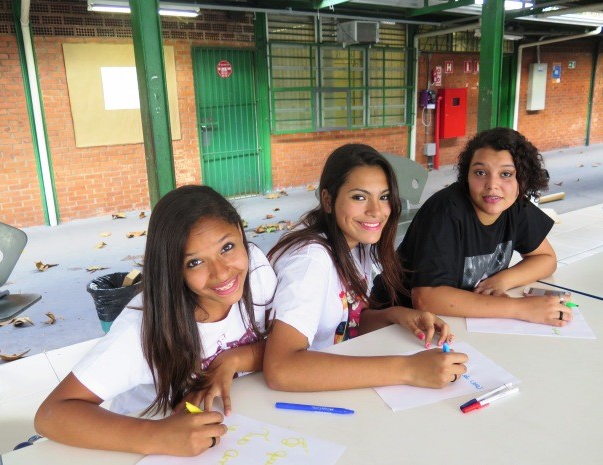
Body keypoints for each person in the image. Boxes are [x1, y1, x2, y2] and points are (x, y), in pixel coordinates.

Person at [35, 185, 277, 457]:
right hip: (144, 445)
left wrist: (234, 359)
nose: (221, 272)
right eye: (194, 262)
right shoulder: (141, 329)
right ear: (172, 269)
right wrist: (158, 435)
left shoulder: (256, 270)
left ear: (240, 232)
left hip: (239, 426)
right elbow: (51, 414)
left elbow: (283, 346)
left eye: (228, 247)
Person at [263, 143, 468, 392]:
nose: (376, 211)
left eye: (383, 197)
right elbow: (281, 369)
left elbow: (345, 322)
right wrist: (409, 370)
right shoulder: (310, 262)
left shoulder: (357, 244)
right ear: (328, 200)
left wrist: (397, 316)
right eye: (359, 197)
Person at [372, 127, 572, 326]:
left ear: (523, 178)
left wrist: (503, 280)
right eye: (480, 172)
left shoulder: (515, 205)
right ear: (466, 176)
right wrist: (522, 309)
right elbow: (426, 298)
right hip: (392, 322)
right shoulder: (446, 211)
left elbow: (546, 258)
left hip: (456, 318)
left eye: (506, 174)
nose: (492, 185)